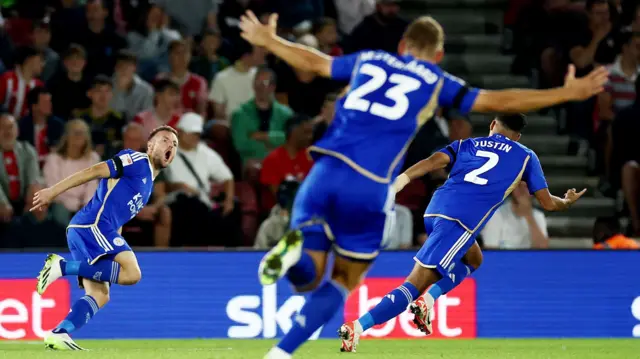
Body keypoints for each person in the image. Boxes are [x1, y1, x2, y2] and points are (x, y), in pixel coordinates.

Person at [238, 11, 607, 358]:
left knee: (310, 274)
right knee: (352, 279)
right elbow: (500, 100)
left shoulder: (371, 61)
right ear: (440, 54)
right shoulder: (440, 86)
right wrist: (565, 94)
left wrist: (269, 41)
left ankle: (293, 263)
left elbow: (315, 62)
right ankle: (320, 339)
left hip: (327, 172)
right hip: (374, 187)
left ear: (401, 46)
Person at [346, 114, 586, 349]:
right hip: (460, 222)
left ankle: (428, 301)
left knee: (474, 258)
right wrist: (566, 201)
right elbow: (547, 203)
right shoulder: (525, 156)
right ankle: (356, 328)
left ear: (493, 124)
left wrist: (402, 180)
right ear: (518, 137)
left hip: (435, 209)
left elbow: (433, 162)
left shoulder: (466, 145)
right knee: (415, 284)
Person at [32, 125, 179, 350]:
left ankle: (60, 333)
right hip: (92, 225)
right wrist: (52, 192)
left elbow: (117, 216)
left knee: (100, 294)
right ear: (150, 145)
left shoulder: (148, 183)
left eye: (175, 144)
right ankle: (62, 267)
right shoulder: (138, 160)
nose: (171, 146)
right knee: (132, 273)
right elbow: (94, 171)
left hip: (92, 230)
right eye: (165, 140)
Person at [42, 119, 100, 226]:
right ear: (66, 136)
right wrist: (74, 205)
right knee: (60, 212)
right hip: (61, 204)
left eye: (82, 132)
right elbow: (53, 189)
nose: (79, 136)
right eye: (75, 132)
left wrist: (85, 205)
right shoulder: (53, 159)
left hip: (84, 205)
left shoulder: (93, 158)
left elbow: (92, 185)